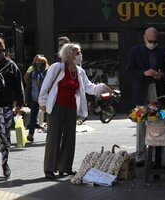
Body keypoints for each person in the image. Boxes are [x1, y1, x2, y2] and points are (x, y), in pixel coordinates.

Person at [39, 43, 113, 179]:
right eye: (77, 52)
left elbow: (89, 87)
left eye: (80, 52)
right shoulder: (57, 68)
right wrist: (42, 102)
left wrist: (102, 87)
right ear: (68, 54)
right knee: (54, 136)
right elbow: (45, 86)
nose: (80, 55)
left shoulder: (79, 71)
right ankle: (49, 169)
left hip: (71, 107)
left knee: (70, 137)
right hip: (57, 106)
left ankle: (65, 168)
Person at [127, 27, 165, 166]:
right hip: (142, 89)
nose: (152, 43)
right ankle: (141, 155)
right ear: (144, 38)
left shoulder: (164, 53)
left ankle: (156, 156)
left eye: (155, 41)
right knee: (141, 122)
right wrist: (144, 73)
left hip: (157, 89)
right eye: (150, 41)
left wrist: (163, 75)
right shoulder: (135, 51)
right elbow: (129, 71)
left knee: (158, 121)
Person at [0, 37, 25, 177]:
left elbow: (18, 86)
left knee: (4, 137)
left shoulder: (11, 66)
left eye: (3, 50)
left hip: (5, 107)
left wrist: (19, 104)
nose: (1, 52)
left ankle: (5, 163)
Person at [26, 55, 49, 142]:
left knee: (48, 116)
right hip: (34, 98)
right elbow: (29, 86)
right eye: (38, 62)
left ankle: (51, 134)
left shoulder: (47, 72)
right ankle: (30, 134)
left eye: (42, 63)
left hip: (46, 98)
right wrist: (27, 99)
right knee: (33, 116)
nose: (40, 64)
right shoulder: (33, 73)